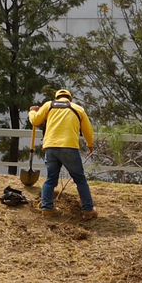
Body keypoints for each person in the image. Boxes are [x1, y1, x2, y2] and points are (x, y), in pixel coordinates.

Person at [28, 88, 97, 219]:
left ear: (57, 97)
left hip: (51, 147)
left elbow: (36, 121)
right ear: (69, 98)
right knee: (80, 180)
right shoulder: (78, 109)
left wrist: (32, 112)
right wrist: (90, 145)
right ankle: (88, 210)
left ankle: (47, 208)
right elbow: (88, 130)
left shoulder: (49, 105)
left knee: (50, 180)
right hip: (69, 147)